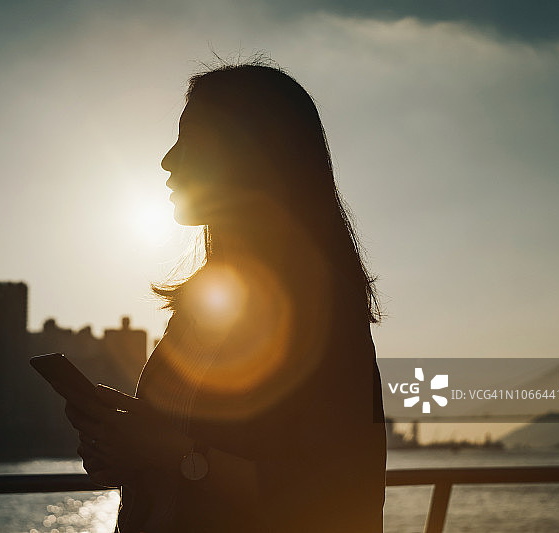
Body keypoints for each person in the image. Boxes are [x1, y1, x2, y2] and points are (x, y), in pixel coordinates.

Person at [65, 61, 386, 532]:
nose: (168, 160)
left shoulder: (320, 311)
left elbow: (326, 491)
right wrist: (122, 437)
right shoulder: (201, 303)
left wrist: (162, 451)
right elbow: (185, 446)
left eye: (190, 139)